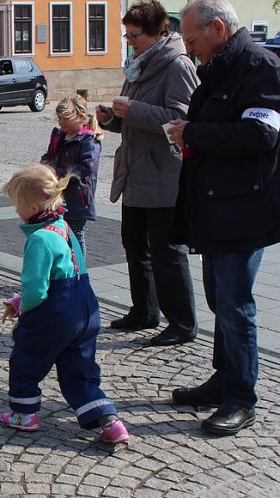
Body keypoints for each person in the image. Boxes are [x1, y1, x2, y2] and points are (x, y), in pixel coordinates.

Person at [166, 0, 280, 436]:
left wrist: (192, 133)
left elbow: (261, 133)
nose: (191, 50)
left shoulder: (260, 66)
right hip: (215, 206)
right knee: (219, 300)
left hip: (243, 210)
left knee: (235, 306)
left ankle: (241, 398)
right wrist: (187, 132)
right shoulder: (217, 68)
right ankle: (223, 379)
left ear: (217, 28)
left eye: (193, 41)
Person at [0, 164, 129, 444]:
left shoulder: (39, 239)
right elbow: (69, 271)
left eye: (17, 206)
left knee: (27, 358)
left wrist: (24, 308)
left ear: (33, 207)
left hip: (56, 313)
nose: (16, 212)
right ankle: (108, 420)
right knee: (79, 369)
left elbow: (36, 288)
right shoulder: (64, 227)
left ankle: (24, 414)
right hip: (85, 308)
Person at [96, 0, 198, 347]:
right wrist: (113, 119)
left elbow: (181, 120)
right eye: (126, 35)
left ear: (158, 33)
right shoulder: (139, 65)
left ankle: (182, 323)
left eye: (135, 35)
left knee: (167, 251)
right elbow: (132, 119)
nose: (129, 41)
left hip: (165, 174)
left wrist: (135, 110)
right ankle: (145, 311)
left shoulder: (177, 66)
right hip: (137, 171)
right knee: (134, 245)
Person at [41, 94, 103, 255]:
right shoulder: (60, 137)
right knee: (59, 234)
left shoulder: (89, 140)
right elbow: (49, 156)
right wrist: (43, 167)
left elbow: (86, 166)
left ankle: (79, 271)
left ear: (81, 117)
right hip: (59, 195)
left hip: (78, 199)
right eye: (59, 118)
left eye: (65, 118)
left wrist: (59, 173)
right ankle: (64, 269)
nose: (61, 122)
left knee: (74, 236)